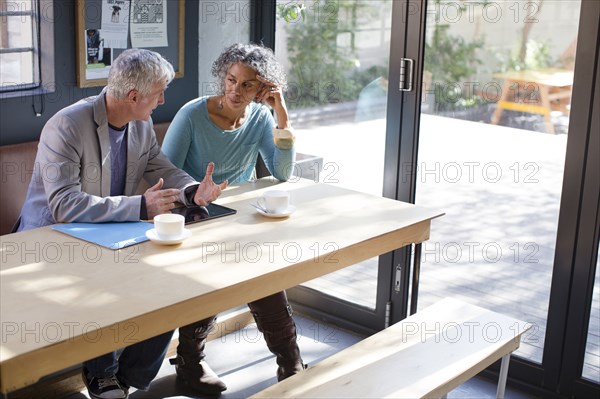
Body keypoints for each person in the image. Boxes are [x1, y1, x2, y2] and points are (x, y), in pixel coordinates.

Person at [16, 48, 227, 399]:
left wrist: (192, 190)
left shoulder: (139, 124)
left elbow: (160, 167)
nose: (162, 100)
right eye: (159, 92)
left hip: (112, 230)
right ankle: (102, 376)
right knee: (106, 277)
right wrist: (139, 206)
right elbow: (64, 204)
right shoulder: (67, 125)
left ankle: (127, 378)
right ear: (134, 96)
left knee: (175, 282)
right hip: (51, 236)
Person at [162, 43, 303, 395]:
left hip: (237, 219)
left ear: (262, 89)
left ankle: (289, 361)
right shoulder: (192, 115)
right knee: (222, 272)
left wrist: (281, 114)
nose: (235, 91)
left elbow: (282, 172)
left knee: (261, 273)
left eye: (247, 85)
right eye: (230, 79)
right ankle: (190, 361)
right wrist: (197, 194)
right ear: (222, 76)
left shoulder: (259, 118)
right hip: (192, 216)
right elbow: (163, 175)